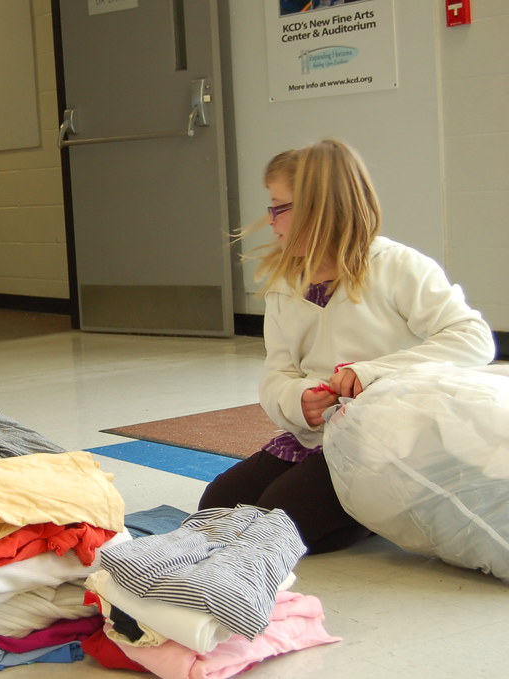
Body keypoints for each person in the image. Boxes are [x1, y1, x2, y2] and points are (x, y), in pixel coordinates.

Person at [198, 138, 495, 554]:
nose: (271, 220)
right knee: (216, 507)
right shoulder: (286, 284)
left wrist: (372, 373)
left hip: (385, 444)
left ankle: (391, 513)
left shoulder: (397, 266)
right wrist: (297, 399)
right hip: (318, 439)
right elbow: (277, 373)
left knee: (278, 520)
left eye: (279, 207)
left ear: (319, 212)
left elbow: (472, 338)